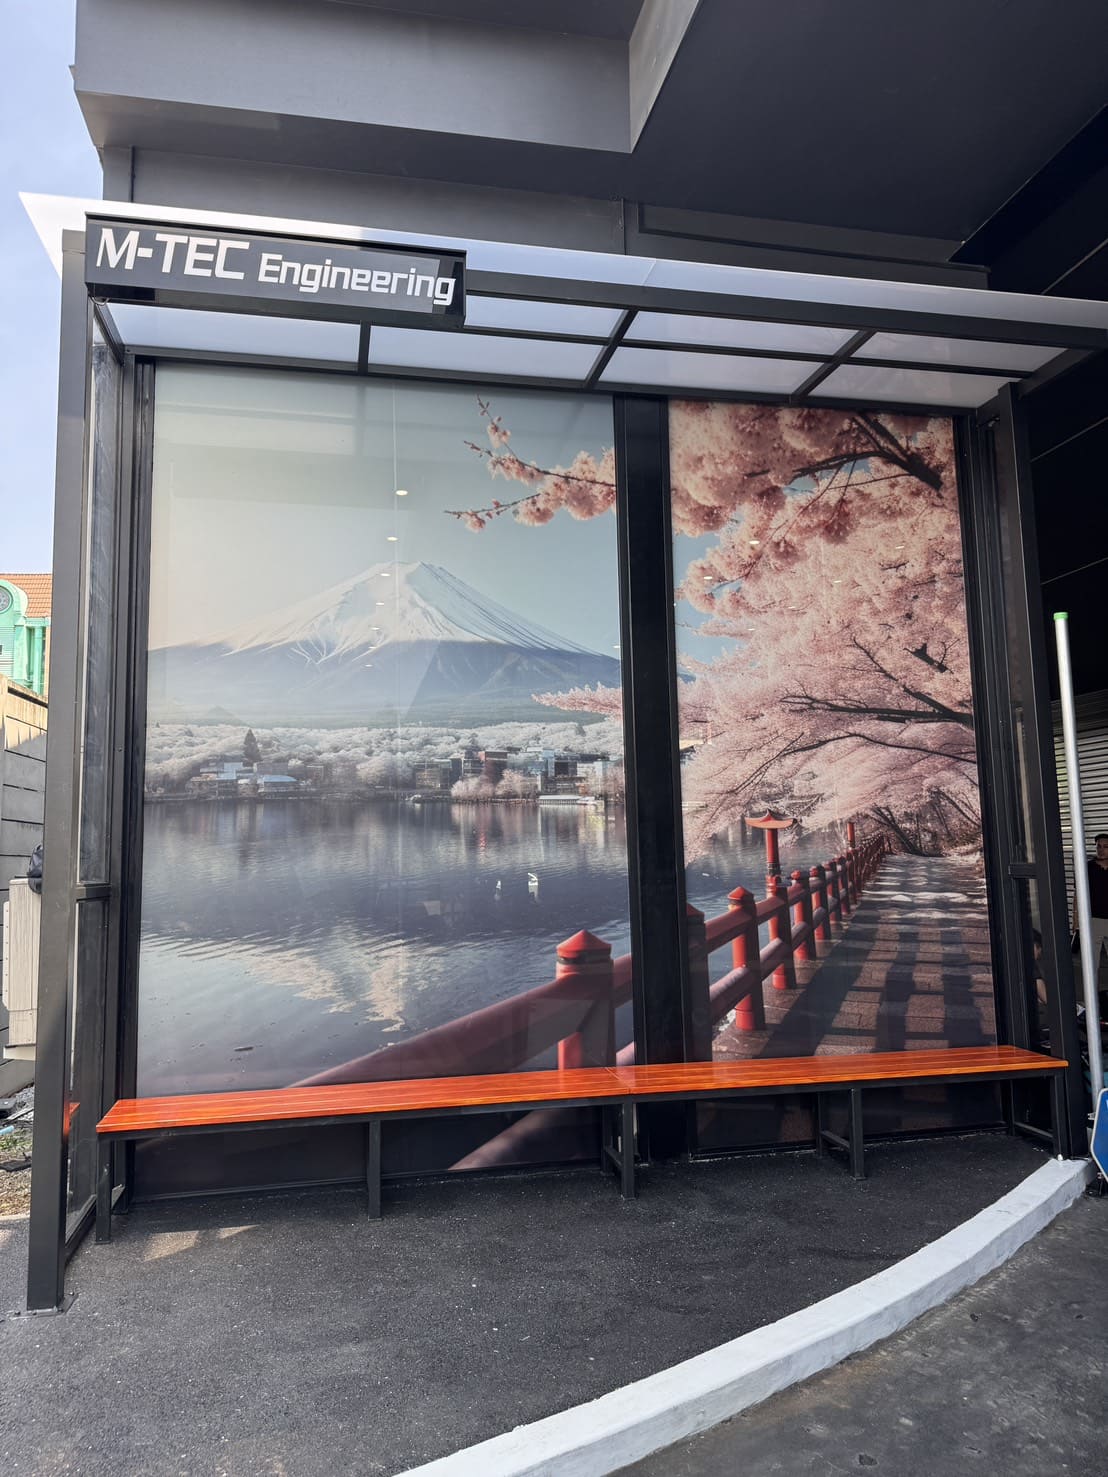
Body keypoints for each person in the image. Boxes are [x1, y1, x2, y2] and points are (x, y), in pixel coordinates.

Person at [1075, 832, 1108, 985]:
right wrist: (1076, 921)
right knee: (1092, 963)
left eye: (1105, 847)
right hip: (1093, 920)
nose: (1101, 850)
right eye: (1098, 846)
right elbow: (1078, 894)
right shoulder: (1087, 868)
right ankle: (1092, 995)